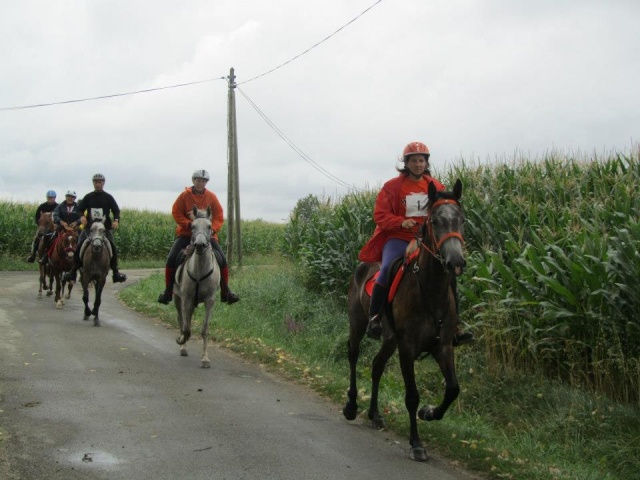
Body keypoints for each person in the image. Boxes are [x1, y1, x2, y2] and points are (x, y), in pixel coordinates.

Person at [358, 141, 473, 345]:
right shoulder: (392, 187)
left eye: (421, 160)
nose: (418, 164)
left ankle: (455, 326)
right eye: (413, 160)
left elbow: (443, 212)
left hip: (426, 240)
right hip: (397, 238)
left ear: (426, 162)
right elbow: (380, 215)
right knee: (386, 270)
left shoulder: (436, 186)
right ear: (406, 163)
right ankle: (375, 318)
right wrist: (400, 221)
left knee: (448, 272)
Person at [157, 169, 239, 305]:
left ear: (206, 183)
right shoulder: (184, 196)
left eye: (203, 181)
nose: (200, 183)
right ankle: (168, 292)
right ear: (193, 181)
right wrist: (188, 224)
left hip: (207, 236)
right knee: (171, 259)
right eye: (198, 180)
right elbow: (176, 212)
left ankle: (226, 292)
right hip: (186, 233)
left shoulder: (211, 197)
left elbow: (218, 216)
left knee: (222, 260)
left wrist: (213, 229)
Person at [63, 173, 127, 283]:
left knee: (112, 247)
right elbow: (80, 209)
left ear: (103, 183)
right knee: (79, 246)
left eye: (100, 182)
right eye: (96, 182)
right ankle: (73, 272)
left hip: (104, 229)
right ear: (93, 183)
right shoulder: (88, 197)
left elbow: (116, 210)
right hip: (89, 229)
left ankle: (115, 272)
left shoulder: (108, 197)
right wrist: (82, 216)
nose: (98, 184)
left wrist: (116, 220)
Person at [26, 190, 58, 263]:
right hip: (43, 227)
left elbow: (60, 216)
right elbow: (37, 217)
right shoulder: (42, 206)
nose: (50, 199)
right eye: (49, 197)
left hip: (54, 227)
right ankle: (33, 255)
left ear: (54, 198)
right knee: (36, 238)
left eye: (51, 198)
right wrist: (40, 225)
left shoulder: (57, 207)